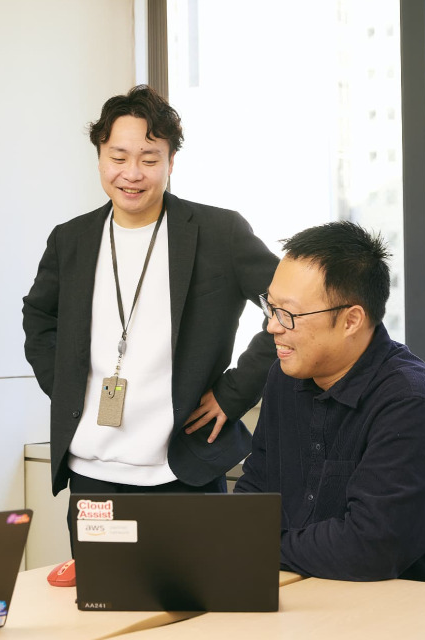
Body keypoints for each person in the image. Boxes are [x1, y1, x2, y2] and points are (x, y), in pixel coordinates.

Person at [22, 85, 279, 538]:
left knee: (200, 586)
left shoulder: (220, 232)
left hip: (184, 469)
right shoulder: (70, 239)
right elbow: (39, 318)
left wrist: (235, 392)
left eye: (149, 158)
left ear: (171, 161)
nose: (132, 173)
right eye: (118, 157)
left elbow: (291, 307)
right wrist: (66, 390)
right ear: (100, 158)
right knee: (103, 586)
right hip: (93, 473)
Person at [234, 221, 425, 586]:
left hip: (418, 600)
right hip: (313, 584)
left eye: (288, 314)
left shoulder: (408, 402)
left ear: (351, 320)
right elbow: (257, 489)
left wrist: (261, 546)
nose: (273, 326)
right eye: (270, 307)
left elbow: (370, 549)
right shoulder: (284, 376)